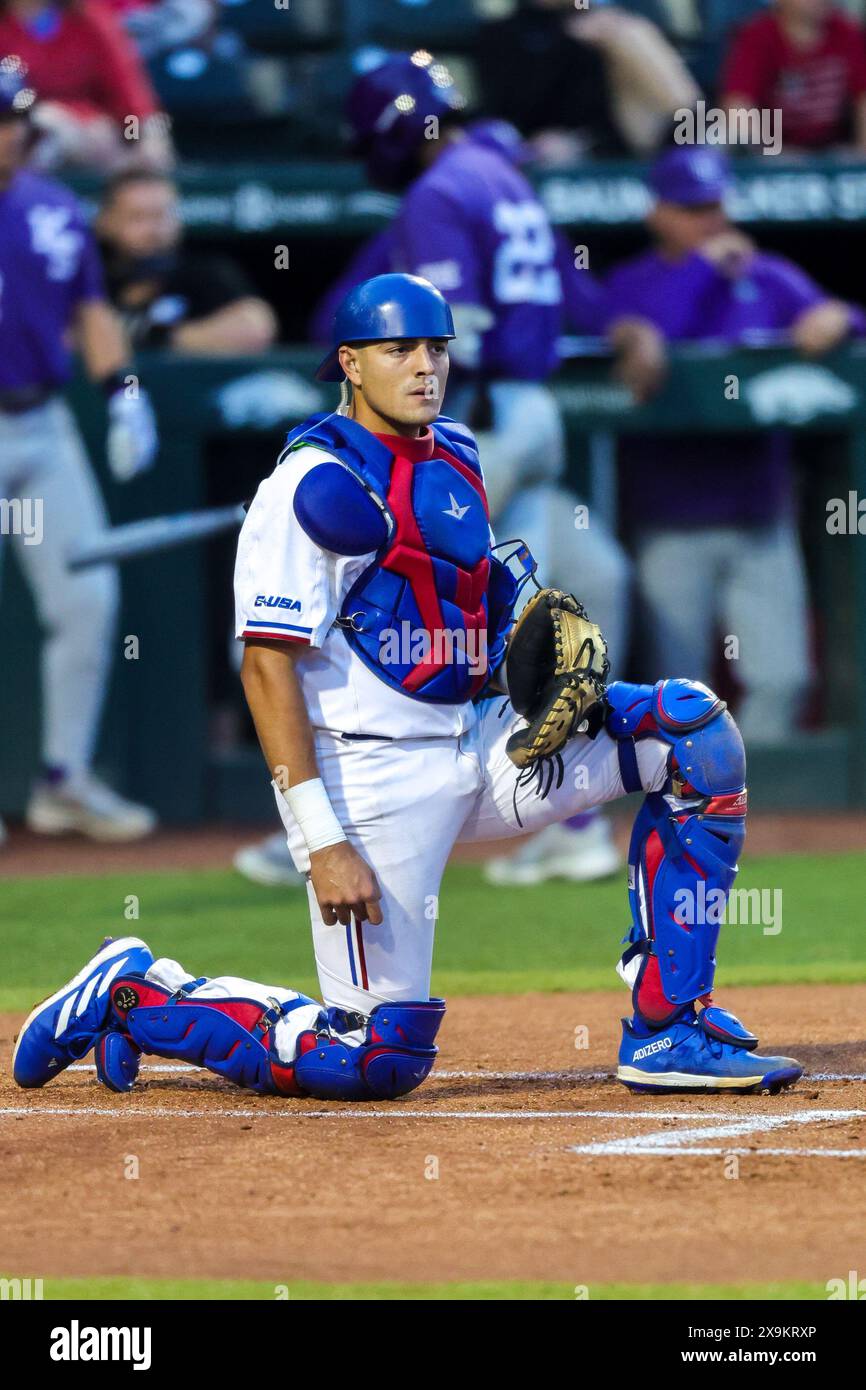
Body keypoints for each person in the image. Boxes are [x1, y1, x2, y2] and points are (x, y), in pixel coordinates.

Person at [13, 271, 804, 1102]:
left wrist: (536, 640)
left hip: (481, 737)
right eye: (400, 351)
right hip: (370, 776)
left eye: (436, 348)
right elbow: (264, 667)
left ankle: (669, 1027)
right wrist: (321, 841)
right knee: (371, 1060)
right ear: (351, 363)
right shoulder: (307, 490)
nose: (425, 366)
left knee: (689, 734)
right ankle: (136, 994)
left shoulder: (457, 454)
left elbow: (472, 596)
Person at [234, 59, 630, 893]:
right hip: (533, 409)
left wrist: (419, 450)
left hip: (479, 420)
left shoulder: (439, 192)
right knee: (517, 617)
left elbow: (457, 334)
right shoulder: (497, 172)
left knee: (411, 600)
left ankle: (328, 813)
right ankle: (575, 820)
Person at [602, 145, 864, 744]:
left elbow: (841, 318)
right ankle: (690, 808)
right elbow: (651, 339)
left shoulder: (764, 274)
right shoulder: (631, 283)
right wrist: (700, 270)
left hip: (759, 513)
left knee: (782, 678)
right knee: (677, 693)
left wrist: (840, 317)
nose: (711, 221)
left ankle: (753, 810)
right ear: (660, 213)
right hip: (670, 518)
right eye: (694, 208)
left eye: (717, 205)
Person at [0, 58, 158, 844]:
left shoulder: (55, 209)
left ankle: (64, 777)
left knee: (88, 602)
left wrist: (124, 394)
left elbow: (92, 310)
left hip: (41, 425)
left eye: (9, 120)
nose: (4, 135)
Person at [477, 0, 700, 162]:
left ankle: (697, 142)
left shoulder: (613, 23)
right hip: (541, 149)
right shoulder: (502, 35)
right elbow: (507, 116)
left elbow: (677, 101)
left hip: (625, 142)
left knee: (631, 35)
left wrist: (609, 40)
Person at [97, 170, 278, 354]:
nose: (154, 231)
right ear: (106, 222)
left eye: (162, 216)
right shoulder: (91, 274)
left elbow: (256, 329)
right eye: (139, 217)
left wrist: (156, 335)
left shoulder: (204, 270)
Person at [0, 0, 173, 171]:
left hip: (91, 136)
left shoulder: (89, 19)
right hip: (18, 130)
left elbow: (132, 102)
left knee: (148, 151)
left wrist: (141, 138)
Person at [721, 0, 866, 153]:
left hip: (834, 152)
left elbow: (863, 98)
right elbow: (738, 106)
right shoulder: (756, 36)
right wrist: (766, 154)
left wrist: (860, 155)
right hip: (774, 156)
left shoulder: (848, 33)